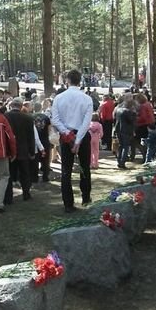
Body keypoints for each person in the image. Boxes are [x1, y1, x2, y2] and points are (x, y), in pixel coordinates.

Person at [51, 69, 93, 212]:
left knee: (66, 171)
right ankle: (86, 197)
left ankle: (68, 203)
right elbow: (86, 122)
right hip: (80, 134)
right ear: (80, 80)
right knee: (85, 168)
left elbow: (55, 119)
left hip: (66, 134)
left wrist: (68, 134)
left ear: (67, 81)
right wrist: (78, 139)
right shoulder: (86, 98)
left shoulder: (59, 98)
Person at [4, 97, 36, 204]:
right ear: (21, 106)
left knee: (8, 174)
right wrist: (32, 151)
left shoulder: (5, 117)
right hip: (23, 149)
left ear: (11, 106)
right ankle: (26, 193)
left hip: (9, 150)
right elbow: (31, 137)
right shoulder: (27, 118)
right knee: (24, 173)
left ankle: (8, 197)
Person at [114, 98, 137, 169]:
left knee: (121, 146)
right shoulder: (128, 112)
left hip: (118, 130)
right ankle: (122, 162)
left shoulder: (118, 110)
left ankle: (119, 160)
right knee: (125, 147)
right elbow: (131, 120)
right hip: (126, 130)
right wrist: (134, 113)